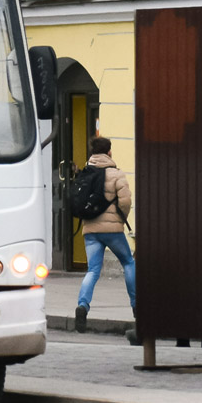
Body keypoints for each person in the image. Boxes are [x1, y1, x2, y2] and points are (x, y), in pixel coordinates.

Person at [74, 136, 136, 335]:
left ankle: (82, 306)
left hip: (90, 230)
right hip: (112, 231)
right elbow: (126, 202)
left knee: (93, 270)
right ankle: (136, 306)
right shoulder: (116, 174)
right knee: (128, 262)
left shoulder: (86, 172)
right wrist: (120, 219)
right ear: (109, 152)